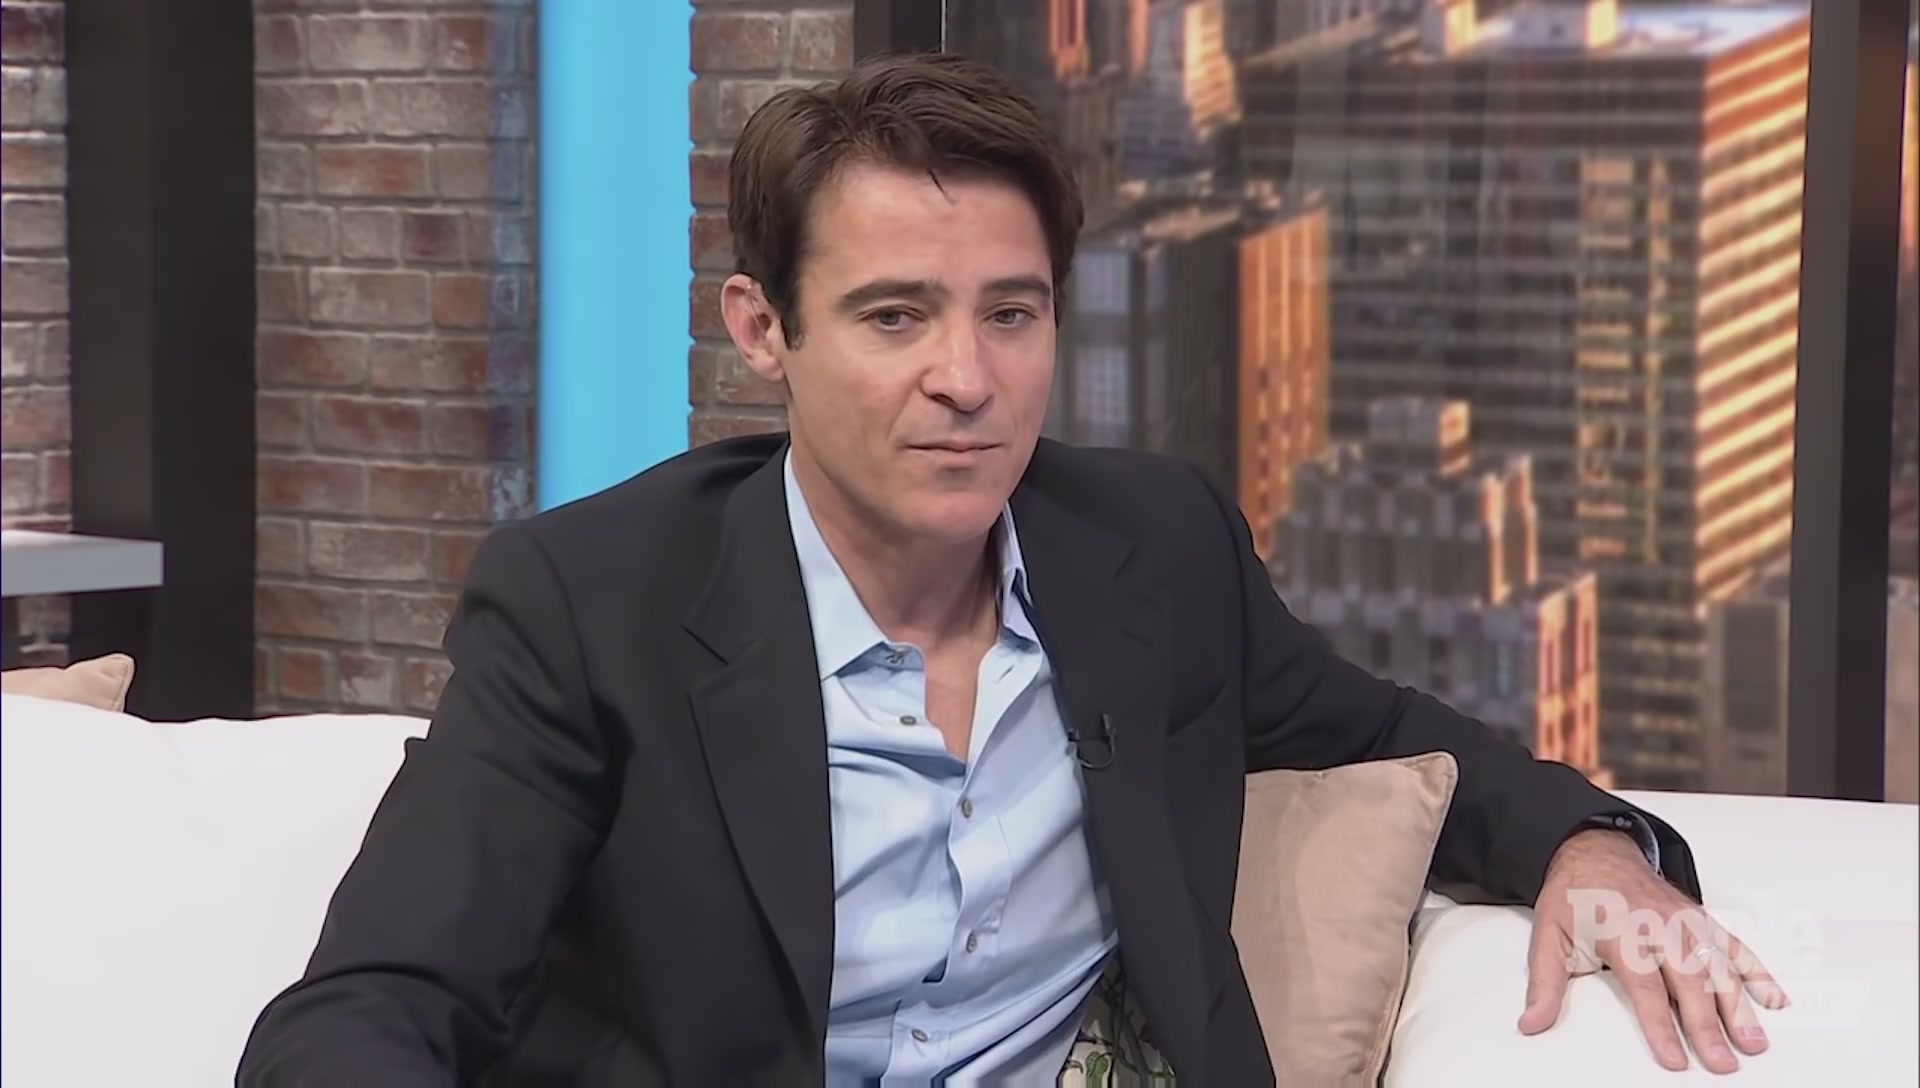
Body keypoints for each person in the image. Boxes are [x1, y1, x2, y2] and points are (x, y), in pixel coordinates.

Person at [236, 52, 1787, 1086]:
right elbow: (375, 1008)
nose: (967, 381)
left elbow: (1390, 735)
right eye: (894, 315)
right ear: (763, 331)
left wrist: (1594, 845)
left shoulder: (1152, 552)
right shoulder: (590, 603)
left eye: (1012, 314)